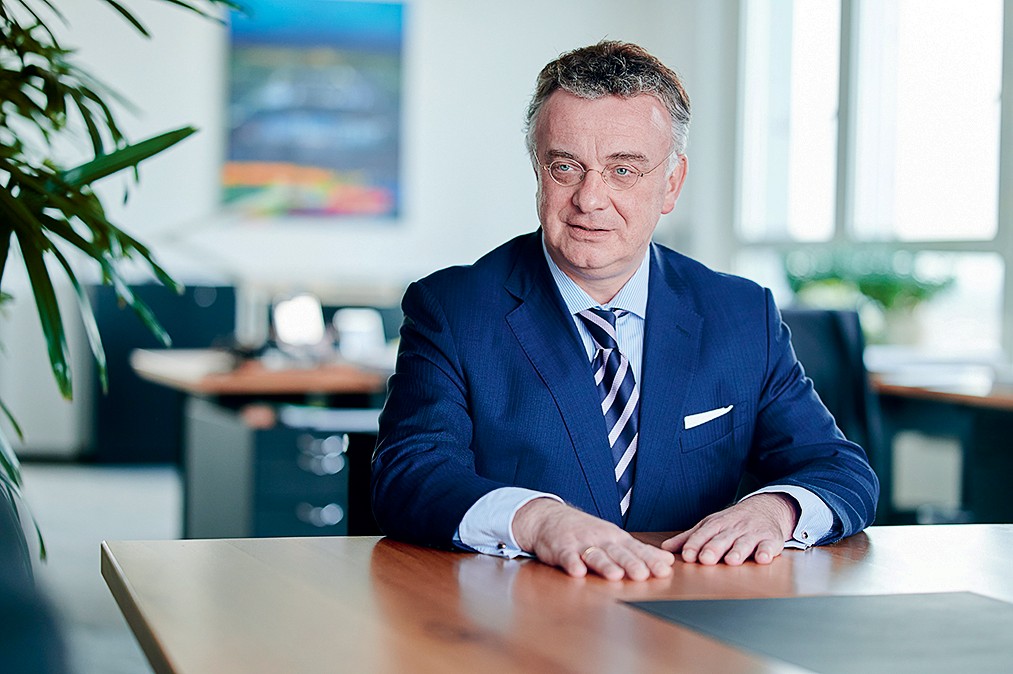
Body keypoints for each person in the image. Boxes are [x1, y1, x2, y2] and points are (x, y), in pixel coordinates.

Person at [371, 40, 878, 581]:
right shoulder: (453, 308)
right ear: (538, 172)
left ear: (671, 183)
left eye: (623, 171)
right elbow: (408, 475)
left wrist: (775, 511)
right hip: (522, 608)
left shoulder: (741, 314)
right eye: (565, 167)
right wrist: (536, 520)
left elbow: (839, 468)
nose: (590, 198)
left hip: (689, 609)